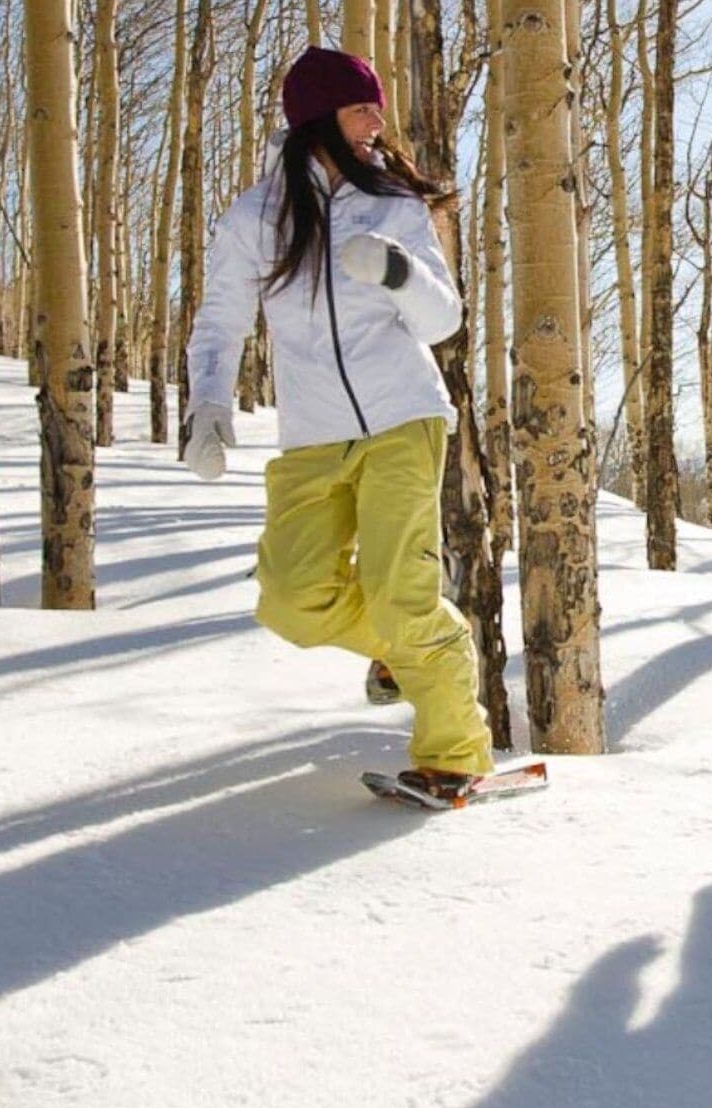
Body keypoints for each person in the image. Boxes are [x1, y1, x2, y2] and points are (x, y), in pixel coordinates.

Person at [182, 49, 491, 799]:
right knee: (291, 599)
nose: (377, 121)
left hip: (403, 417)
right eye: (362, 107)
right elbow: (221, 319)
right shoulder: (258, 215)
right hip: (313, 432)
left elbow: (444, 320)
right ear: (319, 115)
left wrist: (396, 271)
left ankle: (454, 751)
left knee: (400, 592)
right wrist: (208, 404)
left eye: (376, 107)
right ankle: (410, 647)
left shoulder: (393, 205)